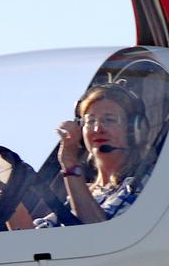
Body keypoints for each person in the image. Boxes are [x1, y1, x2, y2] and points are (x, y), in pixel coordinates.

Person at [40, 82, 151, 226]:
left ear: (133, 130)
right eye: (90, 121)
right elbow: (33, 240)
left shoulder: (143, 184)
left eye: (109, 120)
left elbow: (98, 234)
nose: (97, 129)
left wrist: (70, 163)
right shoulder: (82, 194)